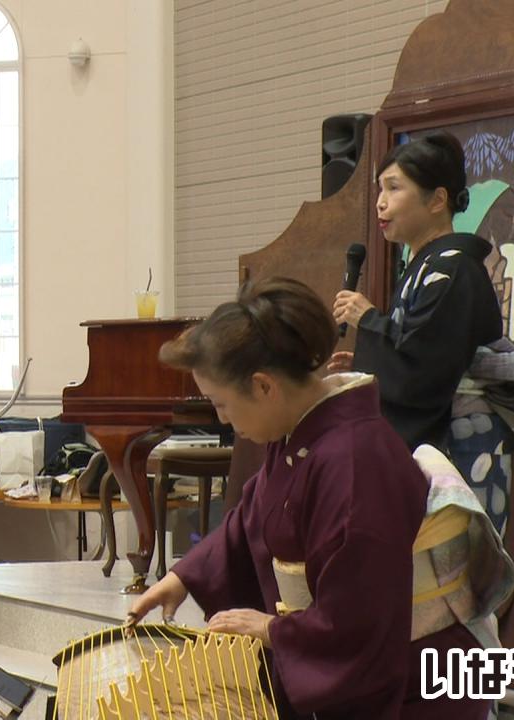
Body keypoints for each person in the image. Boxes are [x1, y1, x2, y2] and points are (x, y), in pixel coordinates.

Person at [129, 278, 490, 720]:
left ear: (264, 387)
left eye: (221, 404)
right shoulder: (300, 435)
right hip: (370, 657)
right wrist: (184, 577)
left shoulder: (355, 461)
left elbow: (359, 617)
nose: (223, 420)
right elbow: (252, 518)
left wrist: (272, 628)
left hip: (411, 680)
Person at [330, 131, 514, 532]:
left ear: (437, 200)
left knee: (454, 581)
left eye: (394, 188)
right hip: (444, 434)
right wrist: (372, 362)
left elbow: (426, 369)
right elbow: (416, 349)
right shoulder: (428, 266)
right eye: (380, 189)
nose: (381, 202)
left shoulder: (452, 269)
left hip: (463, 442)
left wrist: (367, 320)